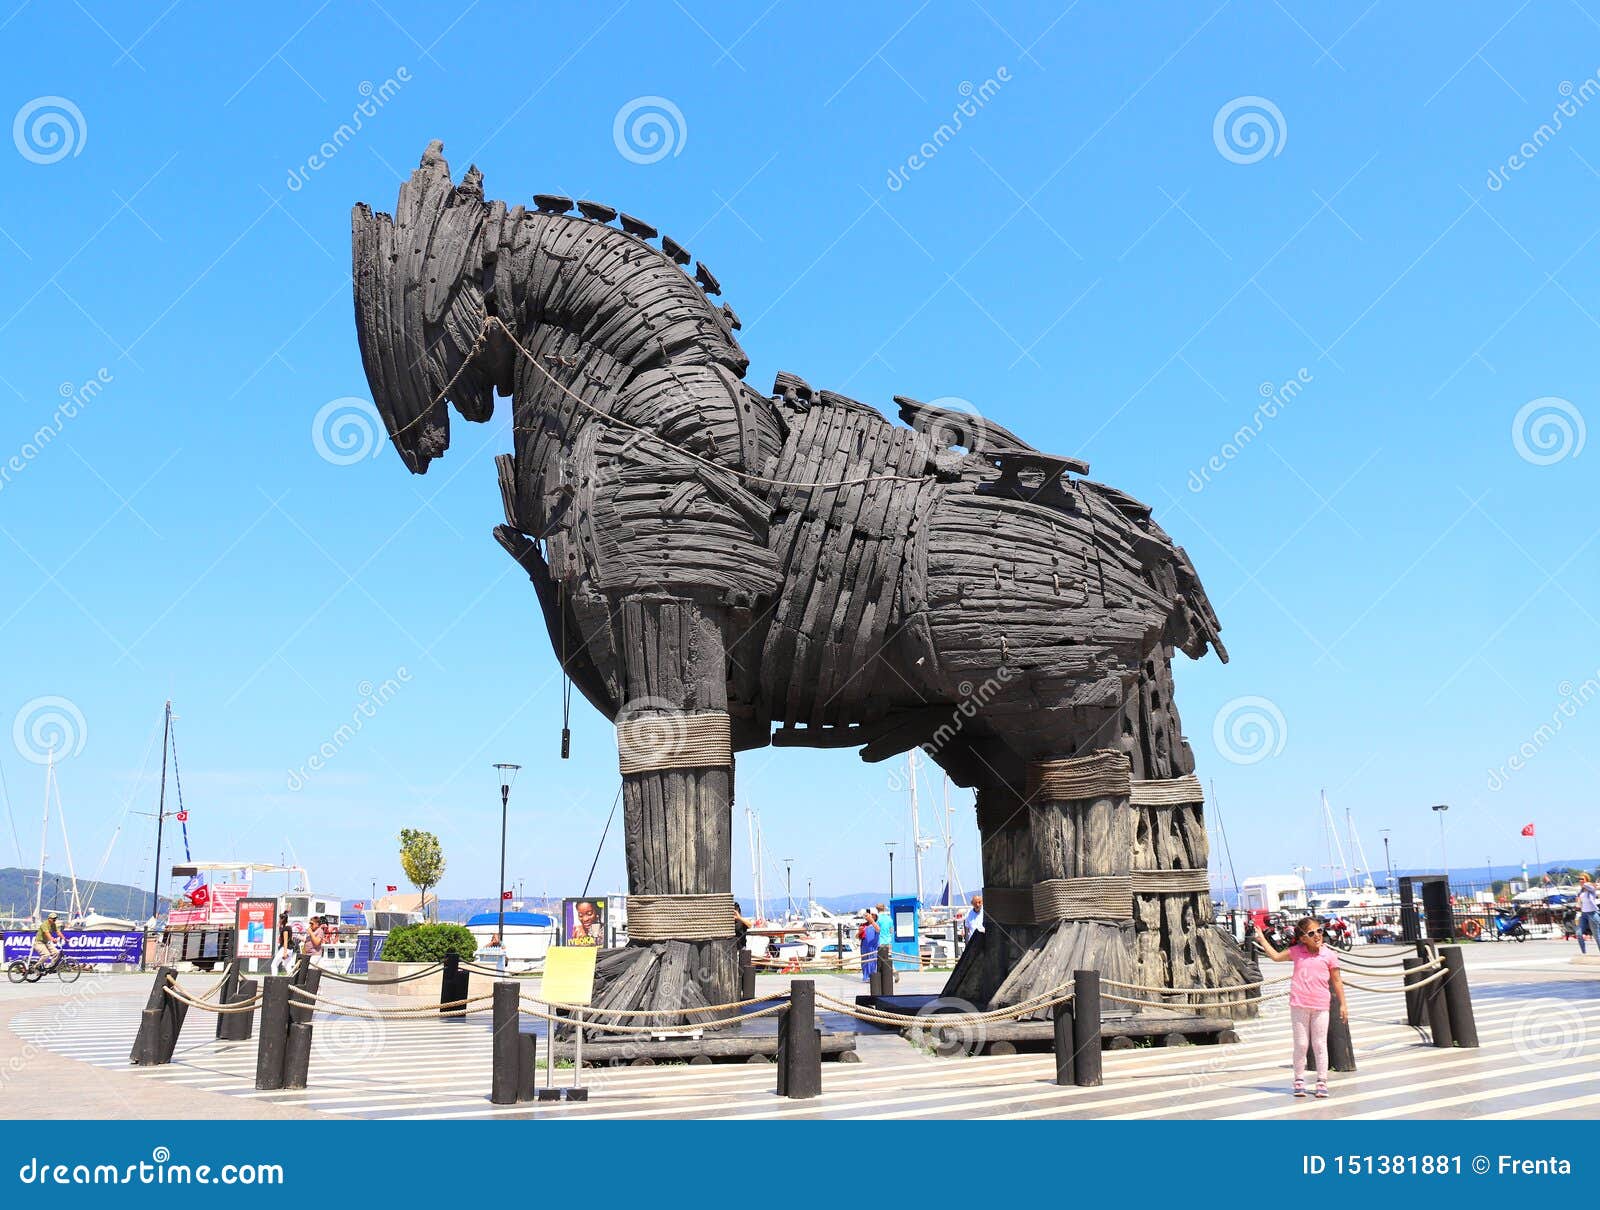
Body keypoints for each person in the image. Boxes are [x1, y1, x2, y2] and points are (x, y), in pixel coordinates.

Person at [1256, 916, 1348, 1098]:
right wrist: (1262, 939)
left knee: (1320, 1044)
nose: (1317, 936)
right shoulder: (1296, 951)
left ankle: (1322, 1080)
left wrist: (1343, 1005)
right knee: (1301, 1044)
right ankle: (1299, 1079)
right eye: (1311, 933)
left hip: (1321, 1005)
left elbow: (1337, 981)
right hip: (1299, 1005)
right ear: (1303, 938)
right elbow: (1275, 957)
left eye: (1319, 931)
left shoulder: (1329, 955)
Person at [1576, 877, 1600, 955]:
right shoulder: (1581, 892)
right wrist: (1578, 905)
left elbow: (1588, 886)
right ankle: (1584, 953)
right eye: (1579, 879)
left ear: (1586, 880)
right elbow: (1579, 902)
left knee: (1597, 936)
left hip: (1592, 914)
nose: (1580, 880)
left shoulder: (1591, 890)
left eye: (1582, 879)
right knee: (1578, 933)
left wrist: (1585, 883)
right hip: (1584, 914)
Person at [859, 912, 880, 983]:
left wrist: (871, 921)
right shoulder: (864, 925)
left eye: (872, 915)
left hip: (873, 946)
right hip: (864, 946)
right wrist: (859, 932)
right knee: (864, 961)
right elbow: (857, 936)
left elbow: (878, 929)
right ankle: (865, 977)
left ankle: (872, 976)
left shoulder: (876, 924)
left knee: (872, 961)